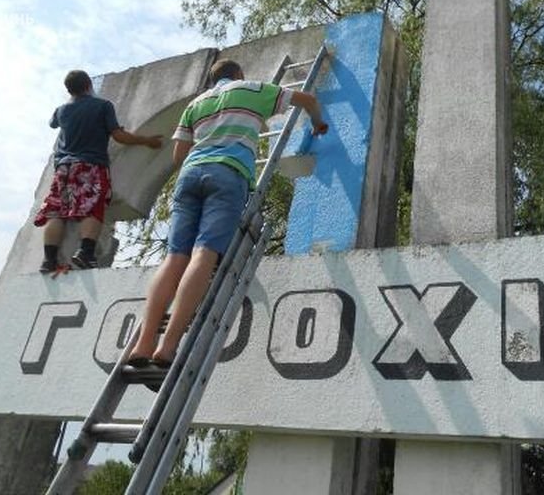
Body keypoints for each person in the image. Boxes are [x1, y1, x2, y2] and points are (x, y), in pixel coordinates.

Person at [127, 59, 328, 367]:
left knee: (175, 258)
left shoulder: (196, 104)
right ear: (238, 74)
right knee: (204, 254)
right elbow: (308, 100)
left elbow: (179, 155)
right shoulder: (250, 89)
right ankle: (167, 347)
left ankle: (143, 344)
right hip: (228, 174)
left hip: (189, 176)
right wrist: (317, 123)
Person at [34, 70, 163, 272]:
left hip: (63, 168)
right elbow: (118, 136)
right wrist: (146, 141)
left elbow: (53, 124)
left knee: (56, 212)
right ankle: (85, 253)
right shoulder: (102, 106)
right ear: (89, 85)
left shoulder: (61, 110)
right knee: (92, 206)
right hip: (90, 164)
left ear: (69, 90)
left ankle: (48, 260)